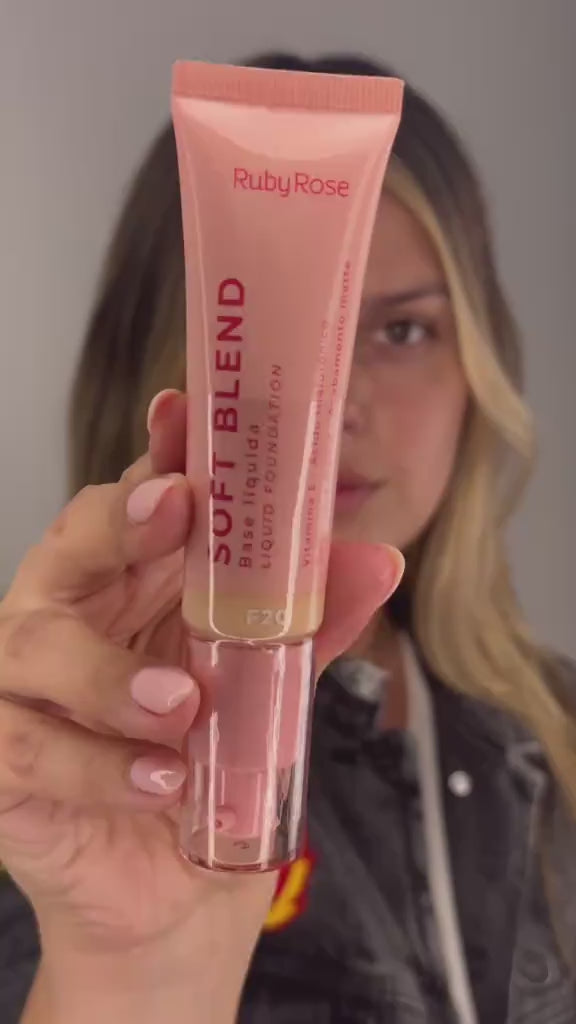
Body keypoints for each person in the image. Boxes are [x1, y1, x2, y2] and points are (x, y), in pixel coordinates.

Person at [0, 52, 575, 1024]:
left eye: (403, 331)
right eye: (292, 325)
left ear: (479, 369)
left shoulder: (556, 729)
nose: (335, 403)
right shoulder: (58, 765)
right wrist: (133, 976)